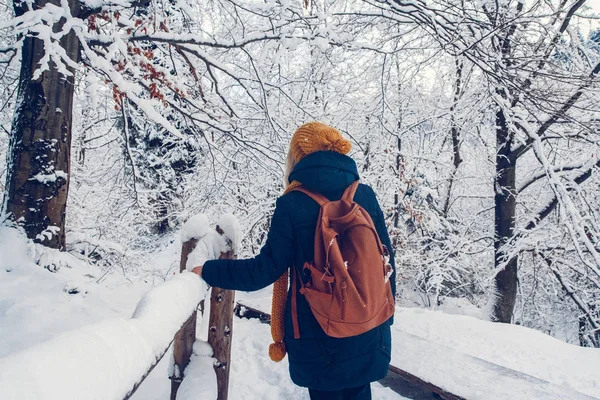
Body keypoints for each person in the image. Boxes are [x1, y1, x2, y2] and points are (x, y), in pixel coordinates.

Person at [192, 121, 396, 400]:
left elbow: (262, 271)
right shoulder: (365, 195)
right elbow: (387, 260)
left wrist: (208, 270)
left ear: (298, 156)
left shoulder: (293, 204)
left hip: (321, 341)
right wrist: (383, 318)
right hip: (370, 330)